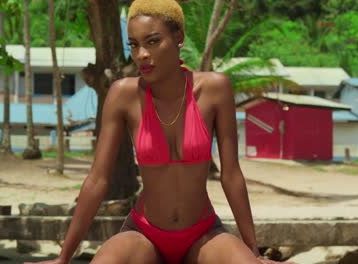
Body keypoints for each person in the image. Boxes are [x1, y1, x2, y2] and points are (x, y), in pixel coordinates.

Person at [26, 0, 286, 263]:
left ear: (179, 38)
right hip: (144, 233)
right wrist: (63, 257)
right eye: (134, 45)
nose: (141, 54)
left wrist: (253, 252)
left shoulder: (215, 89)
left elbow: (231, 175)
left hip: (203, 234)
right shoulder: (123, 94)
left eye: (152, 41)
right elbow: (97, 180)